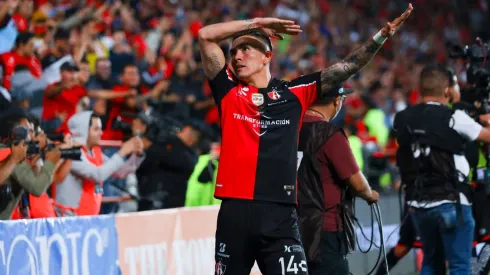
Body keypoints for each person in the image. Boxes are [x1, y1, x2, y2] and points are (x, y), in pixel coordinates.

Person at [198, 4, 413, 274]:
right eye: (233, 52)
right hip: (234, 212)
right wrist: (255, 22)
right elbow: (206, 35)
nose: (237, 56)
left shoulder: (295, 94)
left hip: (281, 216)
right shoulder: (228, 90)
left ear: (267, 56)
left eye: (246, 49)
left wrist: (380, 37)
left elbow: (348, 67)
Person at [394, 64, 490, 274]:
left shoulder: (402, 119)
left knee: (431, 263)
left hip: (419, 204)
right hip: (452, 201)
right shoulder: (454, 117)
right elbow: (486, 136)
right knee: (459, 266)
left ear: (420, 89)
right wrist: (482, 118)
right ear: (447, 90)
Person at [296, 85, 379, 275]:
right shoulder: (329, 134)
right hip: (324, 228)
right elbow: (358, 184)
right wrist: (370, 195)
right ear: (337, 101)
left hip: (292, 226)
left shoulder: (291, 129)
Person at [53, 111, 144, 216]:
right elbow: (97, 175)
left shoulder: (95, 152)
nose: (101, 133)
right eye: (96, 129)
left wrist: (137, 156)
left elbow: (121, 172)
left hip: (89, 217)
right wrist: (122, 152)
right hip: (70, 218)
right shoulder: (72, 152)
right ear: (83, 131)